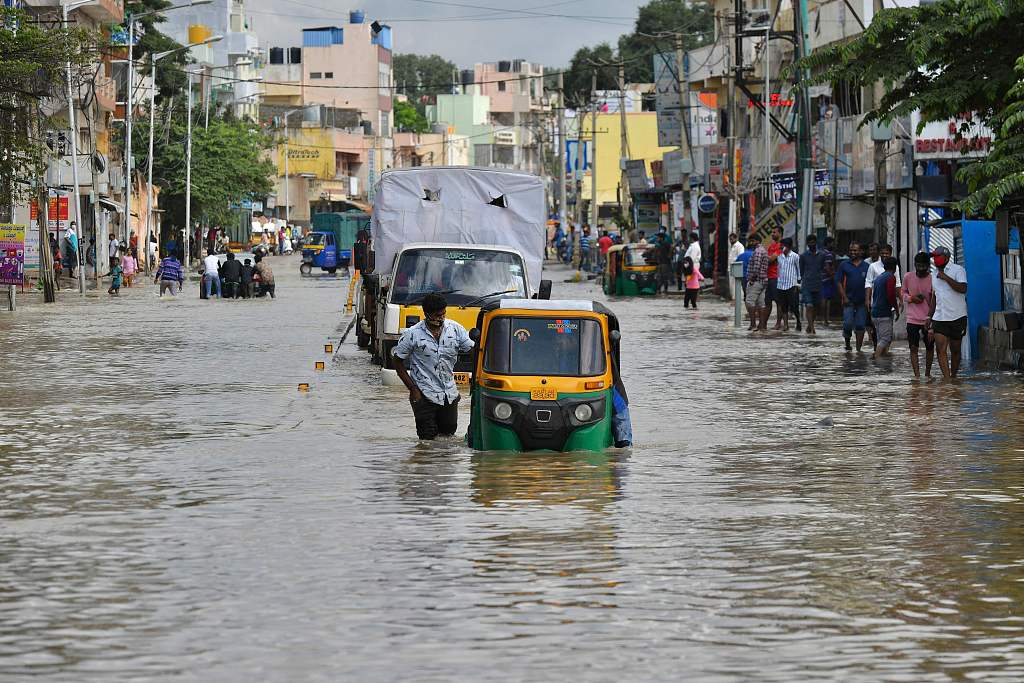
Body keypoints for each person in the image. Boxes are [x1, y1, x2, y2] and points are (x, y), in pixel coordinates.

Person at [392, 293, 475, 440]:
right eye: (437, 315)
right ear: (426, 314)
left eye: (443, 314)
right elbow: (397, 361)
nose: (441, 318)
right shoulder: (412, 335)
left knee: (447, 439)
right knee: (427, 442)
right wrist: (413, 389)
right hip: (423, 395)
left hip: (449, 395)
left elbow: (474, 351)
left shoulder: (455, 330)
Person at [929, 246, 968, 378]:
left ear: (946, 257)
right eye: (934, 257)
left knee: (956, 350)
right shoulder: (933, 274)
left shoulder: (958, 270)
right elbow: (935, 296)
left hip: (957, 316)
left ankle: (954, 376)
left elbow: (963, 288)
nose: (935, 259)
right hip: (940, 317)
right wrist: (929, 316)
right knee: (940, 349)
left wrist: (945, 277)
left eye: (938, 256)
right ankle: (947, 381)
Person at [903, 251, 935, 378]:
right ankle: (916, 376)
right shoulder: (908, 277)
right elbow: (903, 293)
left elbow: (935, 300)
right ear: (915, 265)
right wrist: (912, 299)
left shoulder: (933, 279)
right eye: (918, 266)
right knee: (913, 347)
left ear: (928, 266)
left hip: (928, 319)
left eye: (923, 266)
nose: (920, 269)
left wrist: (931, 319)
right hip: (912, 319)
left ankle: (927, 374)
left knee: (930, 347)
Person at [837, 241, 870, 351]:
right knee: (847, 324)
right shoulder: (844, 265)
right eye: (851, 250)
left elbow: (869, 284)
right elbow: (839, 282)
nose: (853, 252)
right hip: (848, 300)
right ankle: (847, 344)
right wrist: (844, 297)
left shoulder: (867, 266)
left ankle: (858, 350)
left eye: (855, 250)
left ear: (860, 251)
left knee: (860, 325)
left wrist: (867, 299)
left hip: (862, 301)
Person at [871, 257, 900, 360]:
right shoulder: (891, 277)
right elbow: (891, 295)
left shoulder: (879, 278)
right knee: (885, 339)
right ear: (895, 267)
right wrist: (896, 309)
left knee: (880, 339)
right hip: (884, 313)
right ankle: (876, 358)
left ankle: (880, 365)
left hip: (875, 312)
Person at [799, 234, 827, 335]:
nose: (811, 244)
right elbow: (801, 271)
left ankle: (810, 325)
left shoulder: (822, 255)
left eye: (813, 242)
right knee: (809, 305)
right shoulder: (803, 256)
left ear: (816, 242)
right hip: (807, 284)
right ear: (807, 244)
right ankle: (812, 329)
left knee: (817, 306)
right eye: (809, 242)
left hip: (818, 284)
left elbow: (823, 267)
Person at [745, 233, 770, 332]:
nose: (751, 243)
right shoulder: (763, 250)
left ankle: (753, 324)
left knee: (749, 302)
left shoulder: (758, 251)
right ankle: (762, 326)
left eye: (752, 241)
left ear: (757, 241)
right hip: (763, 281)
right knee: (761, 303)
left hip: (757, 281)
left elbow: (756, 267)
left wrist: (752, 279)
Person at [776, 237, 801, 331]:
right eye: (781, 245)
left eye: (783, 245)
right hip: (781, 284)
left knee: (794, 306)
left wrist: (798, 284)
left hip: (792, 285)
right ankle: (786, 325)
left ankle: (798, 321)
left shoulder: (795, 256)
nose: (781, 247)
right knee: (783, 306)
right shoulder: (779, 256)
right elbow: (778, 269)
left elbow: (799, 270)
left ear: (789, 246)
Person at [766, 227, 783, 329]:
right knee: (767, 301)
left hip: (777, 277)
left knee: (778, 301)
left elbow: (771, 259)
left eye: (774, 232)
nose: (772, 234)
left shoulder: (781, 247)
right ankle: (764, 323)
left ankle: (778, 323)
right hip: (768, 277)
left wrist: (767, 257)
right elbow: (769, 259)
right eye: (771, 232)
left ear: (780, 233)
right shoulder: (771, 247)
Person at [820, 236, 837, 326]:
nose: (833, 245)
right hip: (827, 279)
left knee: (825, 298)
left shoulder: (820, 253)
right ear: (828, 243)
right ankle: (826, 319)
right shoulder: (829, 254)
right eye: (832, 243)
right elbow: (828, 267)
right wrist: (833, 276)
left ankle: (824, 319)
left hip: (821, 278)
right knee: (826, 299)